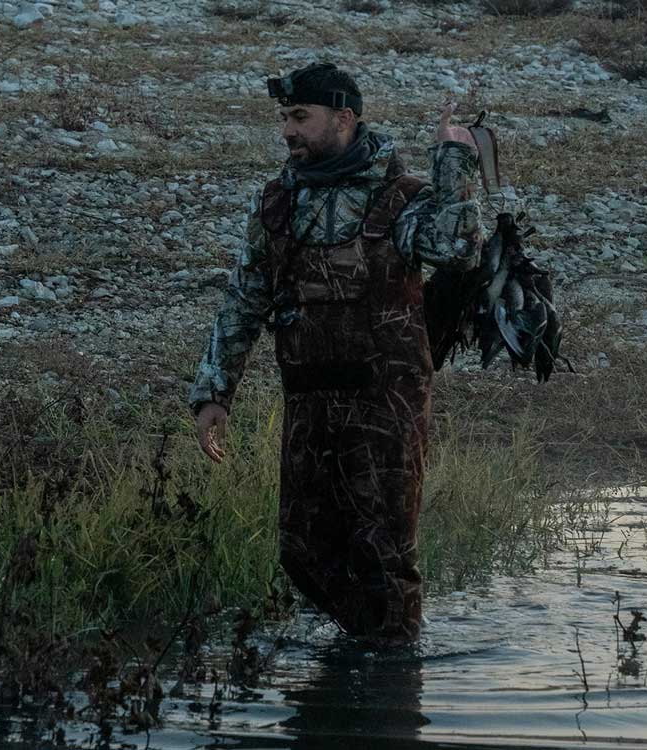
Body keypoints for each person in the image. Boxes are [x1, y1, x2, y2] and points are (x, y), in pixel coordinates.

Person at [189, 62, 484, 643]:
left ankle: (390, 673)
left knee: (385, 555)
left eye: (301, 117)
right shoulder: (277, 202)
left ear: (344, 118)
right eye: (284, 118)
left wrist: (454, 161)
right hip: (308, 400)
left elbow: (458, 249)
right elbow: (245, 297)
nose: (287, 131)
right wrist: (214, 392)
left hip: (386, 403)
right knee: (301, 550)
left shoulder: (400, 198)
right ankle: (373, 647)